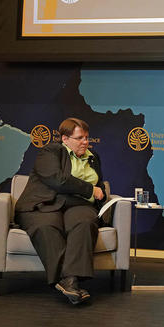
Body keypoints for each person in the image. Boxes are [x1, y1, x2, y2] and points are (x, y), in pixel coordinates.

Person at [14, 118, 107, 305]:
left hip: (79, 204)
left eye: (87, 137)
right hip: (45, 203)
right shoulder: (50, 151)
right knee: (46, 227)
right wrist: (91, 190)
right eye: (80, 138)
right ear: (65, 139)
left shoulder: (93, 157)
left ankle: (69, 282)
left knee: (85, 223)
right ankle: (70, 281)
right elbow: (58, 180)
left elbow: (100, 185)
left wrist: (101, 194)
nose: (85, 142)